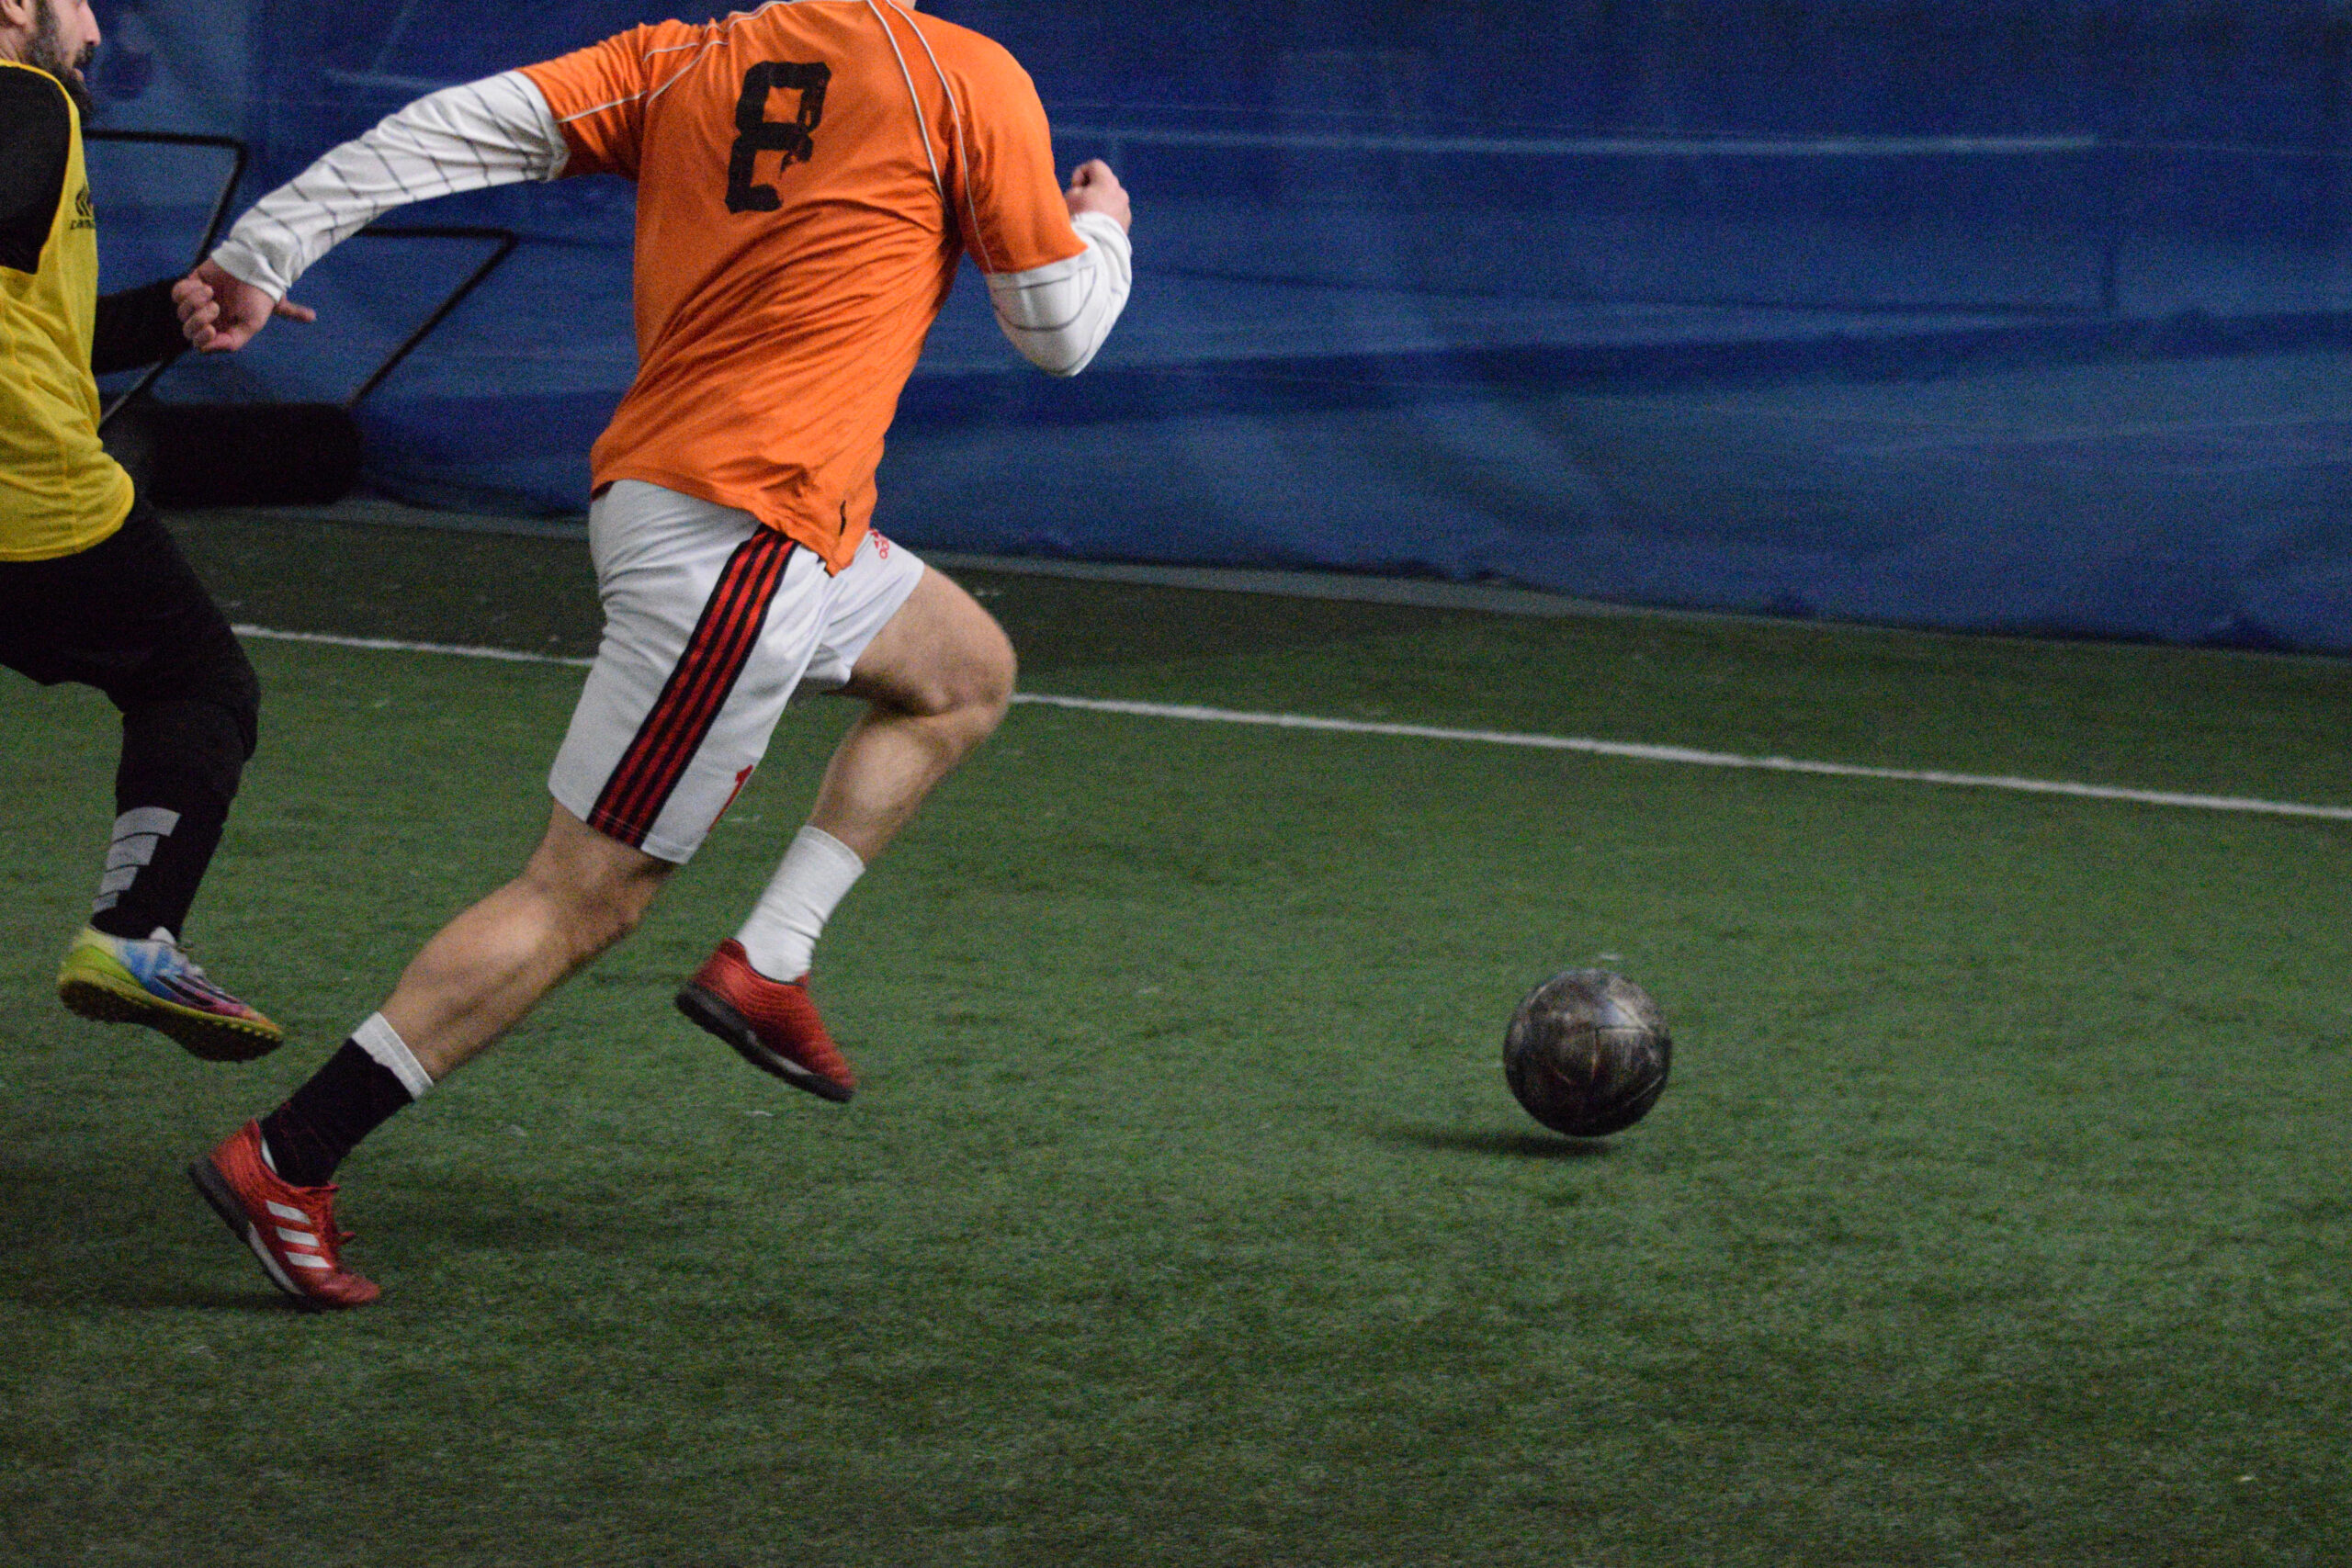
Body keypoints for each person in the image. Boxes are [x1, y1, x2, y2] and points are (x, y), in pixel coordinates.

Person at [174, 0, 1133, 1307]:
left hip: (744, 518)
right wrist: (1104, 230)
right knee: (587, 892)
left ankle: (771, 959)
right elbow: (1061, 331)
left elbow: (444, 129)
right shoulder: (963, 72)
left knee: (962, 668)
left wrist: (262, 248)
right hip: (742, 546)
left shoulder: (682, 59)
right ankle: (289, 1154)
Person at [1, 0, 311, 1064]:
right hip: (35, 509)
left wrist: (165, 311)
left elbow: (39, 321)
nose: (93, 28)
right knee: (198, 684)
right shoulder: (27, 96)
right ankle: (130, 937)